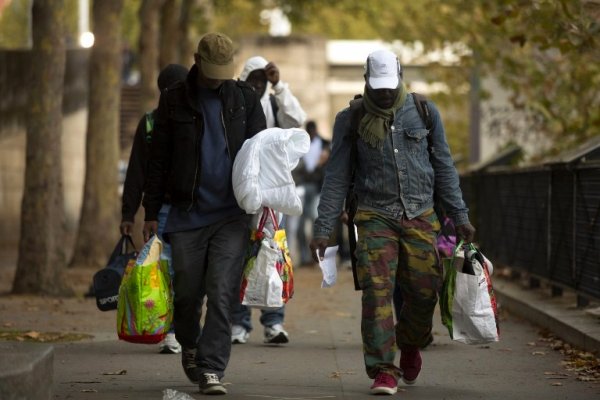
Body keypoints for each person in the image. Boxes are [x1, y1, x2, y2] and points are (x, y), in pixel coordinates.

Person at [309, 49, 476, 395]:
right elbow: (336, 177)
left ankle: (411, 342)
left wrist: (460, 217)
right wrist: (323, 228)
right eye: (378, 86)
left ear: (400, 76)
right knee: (377, 293)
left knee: (423, 291)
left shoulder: (424, 113)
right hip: (374, 216)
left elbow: (444, 168)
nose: (385, 93)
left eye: (390, 85)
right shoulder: (350, 119)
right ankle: (383, 369)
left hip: (420, 215)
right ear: (367, 80)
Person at [142, 32, 266, 395]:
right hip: (186, 213)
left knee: (222, 290)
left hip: (231, 215)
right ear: (195, 59)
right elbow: (158, 158)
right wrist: (150, 210)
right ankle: (190, 344)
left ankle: (212, 367)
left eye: (223, 72)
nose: (217, 79)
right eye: (211, 71)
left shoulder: (245, 98)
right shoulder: (174, 100)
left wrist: (264, 204)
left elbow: (262, 154)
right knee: (187, 294)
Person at [230, 55, 307, 345]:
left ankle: (273, 322)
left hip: (273, 195)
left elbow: (297, 121)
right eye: (254, 80)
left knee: (273, 254)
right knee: (240, 257)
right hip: (242, 192)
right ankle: (240, 323)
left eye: (263, 81)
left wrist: (280, 86)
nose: (258, 86)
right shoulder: (234, 103)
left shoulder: (274, 102)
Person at [120, 63, 189, 355]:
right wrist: (129, 213)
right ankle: (170, 330)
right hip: (162, 212)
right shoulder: (150, 124)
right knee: (166, 272)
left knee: (185, 274)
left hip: (185, 210)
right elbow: (137, 171)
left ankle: (183, 329)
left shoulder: (195, 119)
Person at [292, 120, 330, 266]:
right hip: (302, 186)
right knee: (301, 225)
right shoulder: (301, 145)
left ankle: (318, 256)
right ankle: (305, 257)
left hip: (318, 188)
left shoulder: (324, 144)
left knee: (315, 220)